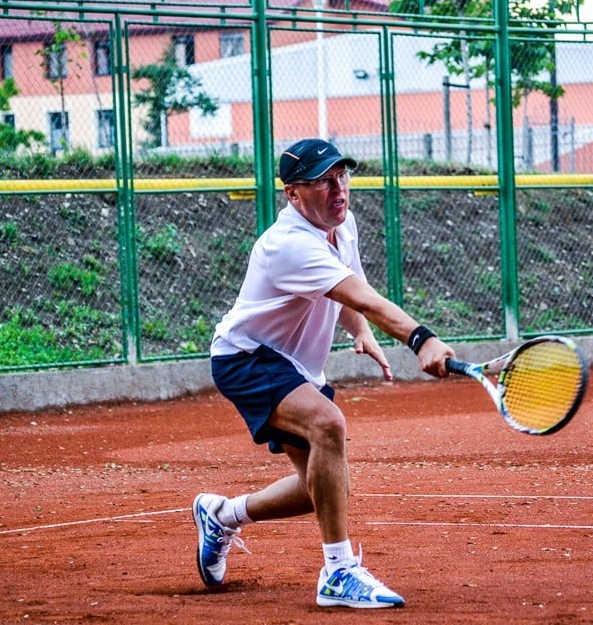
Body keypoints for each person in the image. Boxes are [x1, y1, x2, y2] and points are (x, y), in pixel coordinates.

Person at [194, 138, 455, 609]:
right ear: (294, 194)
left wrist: (360, 331)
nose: (338, 189)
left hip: (294, 366)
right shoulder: (289, 245)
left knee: (324, 488)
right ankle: (338, 572)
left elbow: (352, 287)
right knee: (328, 422)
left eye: (342, 177)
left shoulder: (342, 223)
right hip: (246, 358)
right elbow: (362, 295)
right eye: (323, 181)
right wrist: (422, 338)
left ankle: (223, 515)